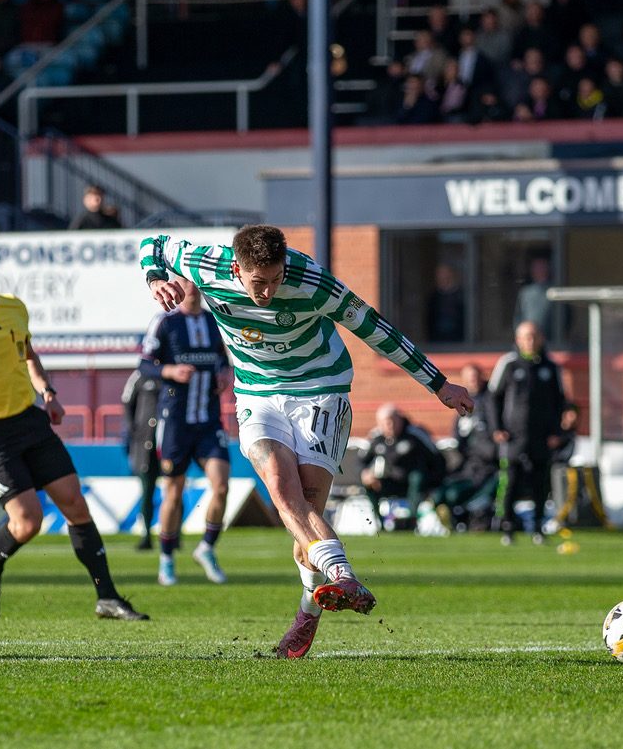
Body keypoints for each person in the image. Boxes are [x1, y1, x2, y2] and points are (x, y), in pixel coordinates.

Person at [142, 225, 473, 659]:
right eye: (259, 282)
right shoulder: (206, 263)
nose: (268, 292)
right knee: (283, 492)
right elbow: (154, 244)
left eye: (276, 279)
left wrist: (438, 384)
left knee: (307, 518)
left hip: (321, 389)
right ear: (236, 268)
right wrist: (154, 278)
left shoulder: (313, 282)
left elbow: (376, 328)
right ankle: (344, 577)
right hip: (258, 395)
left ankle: (307, 611)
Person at [0, 238, 148, 621]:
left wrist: (48, 392)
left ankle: (107, 597)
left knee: (75, 503)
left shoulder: (13, 308)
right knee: (28, 522)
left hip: (29, 419)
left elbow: (28, 355)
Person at [139, 278, 234, 586]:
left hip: (208, 420)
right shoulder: (165, 321)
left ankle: (206, 548)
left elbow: (223, 357)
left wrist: (224, 372)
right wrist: (169, 370)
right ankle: (166, 560)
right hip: (176, 420)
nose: (191, 289)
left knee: (221, 486)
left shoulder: (215, 319)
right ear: (176, 288)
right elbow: (144, 365)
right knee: (173, 491)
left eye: (195, 284)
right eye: (184, 283)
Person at [489, 321, 566, 545]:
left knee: (539, 482)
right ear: (518, 340)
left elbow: (559, 401)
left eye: (534, 337)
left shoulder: (551, 367)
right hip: (513, 436)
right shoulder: (508, 364)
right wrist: (497, 429)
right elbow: (493, 398)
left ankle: (539, 528)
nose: (530, 342)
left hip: (541, 436)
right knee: (511, 480)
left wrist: (556, 431)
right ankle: (507, 527)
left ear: (540, 339)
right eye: (526, 337)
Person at [436, 363, 500, 529]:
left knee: (454, 494)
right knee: (441, 493)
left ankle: (464, 517)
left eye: (476, 377)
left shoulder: (493, 401)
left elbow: (497, 435)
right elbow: (458, 440)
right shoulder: (462, 404)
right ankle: (453, 522)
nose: (473, 381)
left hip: (489, 467)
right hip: (469, 466)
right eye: (469, 378)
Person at [359, 403, 445, 521]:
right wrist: (365, 474)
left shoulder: (415, 434)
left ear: (400, 419)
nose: (389, 425)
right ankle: (380, 524)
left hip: (415, 484)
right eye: (384, 422)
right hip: (391, 481)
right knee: (369, 485)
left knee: (417, 477)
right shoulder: (376, 437)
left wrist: (434, 483)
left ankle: (411, 520)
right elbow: (361, 461)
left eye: (392, 421)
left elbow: (438, 459)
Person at [121, 368, 162, 550]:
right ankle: (146, 534)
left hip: (168, 441)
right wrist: (135, 433)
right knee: (147, 489)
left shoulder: (172, 372)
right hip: (145, 444)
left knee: (175, 487)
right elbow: (127, 402)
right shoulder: (140, 375)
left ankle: (173, 535)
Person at [514, 256, 555, 335]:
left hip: (550, 339)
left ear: (547, 270)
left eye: (541, 269)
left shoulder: (554, 292)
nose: (538, 272)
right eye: (536, 269)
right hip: (527, 338)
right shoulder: (525, 292)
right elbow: (518, 316)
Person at [427, 262, 465, 342]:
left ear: (451, 274)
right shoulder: (434, 297)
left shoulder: (462, 296)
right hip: (437, 341)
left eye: (444, 274)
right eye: (439, 275)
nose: (441, 277)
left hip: (459, 341)